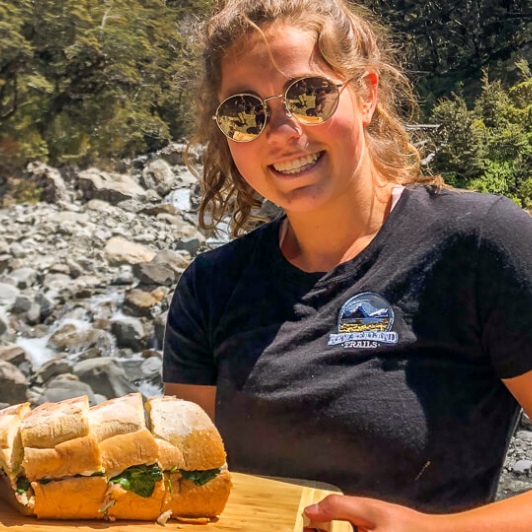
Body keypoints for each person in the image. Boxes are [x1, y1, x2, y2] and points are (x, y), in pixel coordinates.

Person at [163, 0, 532, 529]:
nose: (283, 132)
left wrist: (438, 529)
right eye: (245, 112)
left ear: (366, 94)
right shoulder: (211, 285)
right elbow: (184, 484)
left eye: (308, 95)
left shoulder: (481, 244)